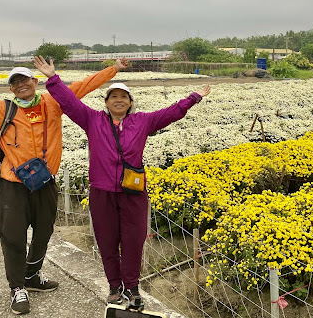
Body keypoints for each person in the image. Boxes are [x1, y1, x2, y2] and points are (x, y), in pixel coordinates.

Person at [0, 47, 128, 315]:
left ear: (34, 82)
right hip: (13, 185)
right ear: (11, 88)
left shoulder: (53, 102)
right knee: (12, 236)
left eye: (24, 80)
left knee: (44, 232)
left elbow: (83, 86)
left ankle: (32, 276)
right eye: (14, 82)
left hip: (45, 182)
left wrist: (114, 69)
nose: (20, 85)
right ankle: (17, 287)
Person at [33, 55, 210, 309]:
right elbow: (69, 103)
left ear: (130, 103)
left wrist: (193, 98)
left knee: (133, 240)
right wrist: (53, 78)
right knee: (106, 241)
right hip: (102, 192)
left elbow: (171, 113)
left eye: (123, 97)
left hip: (133, 192)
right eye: (113, 96)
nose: (119, 100)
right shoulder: (92, 120)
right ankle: (115, 287)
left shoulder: (143, 121)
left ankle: (132, 288)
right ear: (106, 103)